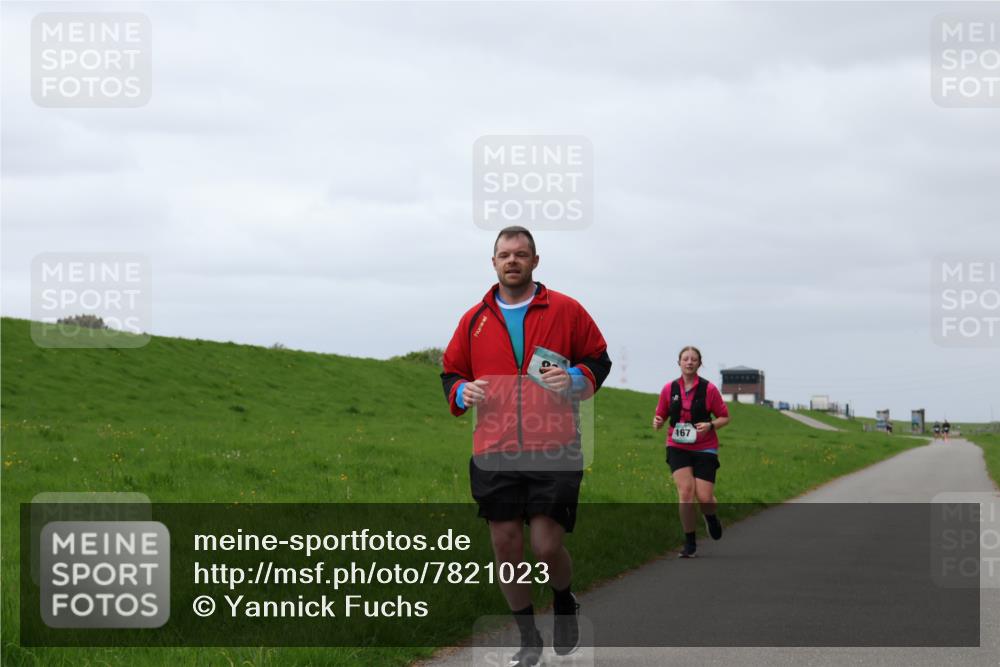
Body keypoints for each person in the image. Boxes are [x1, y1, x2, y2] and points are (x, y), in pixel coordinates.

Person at [441, 226, 611, 666]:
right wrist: (461, 391)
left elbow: (598, 358)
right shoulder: (473, 320)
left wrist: (574, 378)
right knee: (505, 546)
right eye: (504, 255)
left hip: (554, 446)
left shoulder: (566, 309)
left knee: (545, 546)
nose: (512, 261)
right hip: (494, 449)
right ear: (494, 262)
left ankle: (564, 599)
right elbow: (452, 372)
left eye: (520, 254)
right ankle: (528, 637)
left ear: (535, 261)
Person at [653, 346, 730, 558]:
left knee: (705, 498)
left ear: (699, 363)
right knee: (686, 493)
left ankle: (711, 517)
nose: (689, 362)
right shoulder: (669, 389)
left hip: (705, 447)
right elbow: (660, 415)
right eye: (685, 359)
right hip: (677, 446)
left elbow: (724, 417)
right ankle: (690, 544)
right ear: (679, 362)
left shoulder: (709, 389)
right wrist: (658, 421)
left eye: (693, 359)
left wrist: (711, 425)